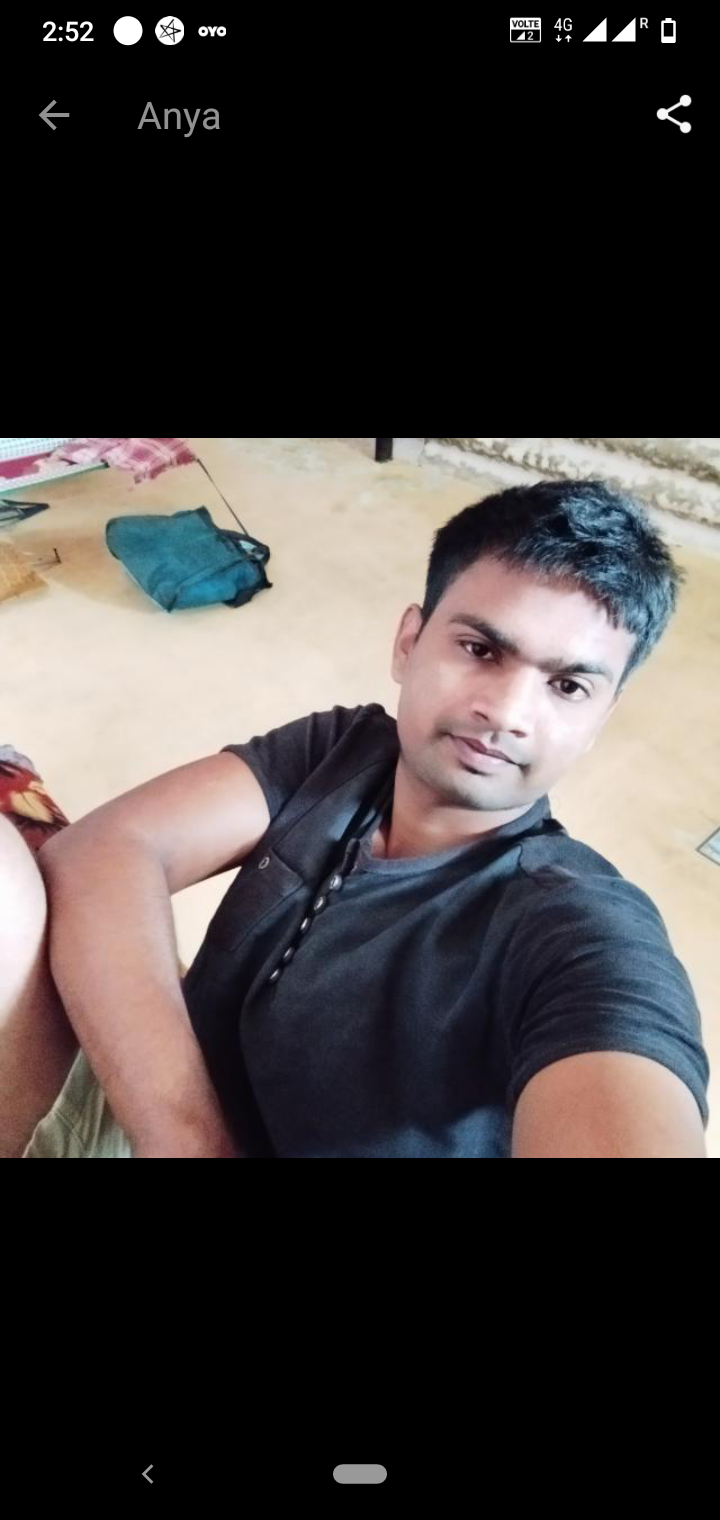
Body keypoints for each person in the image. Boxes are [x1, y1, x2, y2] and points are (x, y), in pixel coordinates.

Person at [2, 479, 709, 1158]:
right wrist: (186, 1139)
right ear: (409, 643)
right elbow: (105, 849)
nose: (507, 713)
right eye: (480, 649)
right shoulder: (344, 752)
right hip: (158, 1108)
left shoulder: (578, 929)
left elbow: (620, 1055)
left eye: (568, 685)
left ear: (600, 719)